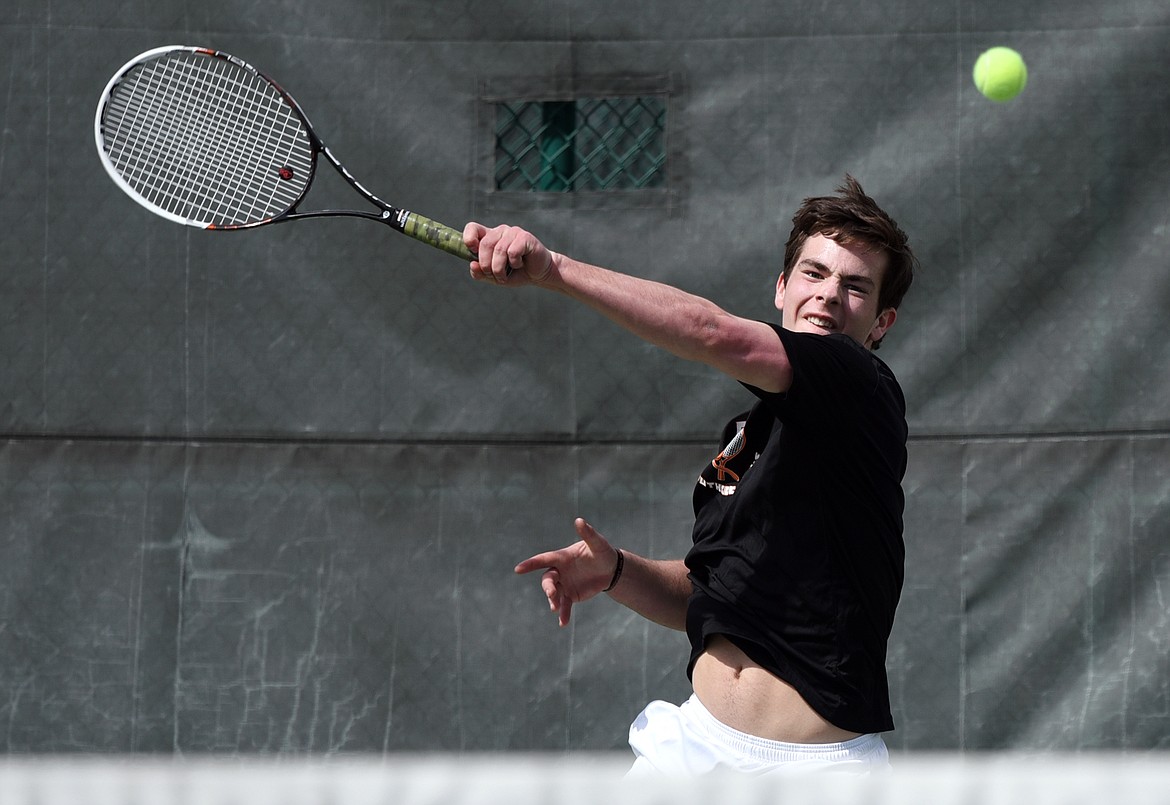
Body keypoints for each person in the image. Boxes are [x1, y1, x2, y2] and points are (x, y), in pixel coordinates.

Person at [462, 176, 917, 776]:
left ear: (880, 323)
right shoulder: (745, 436)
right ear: (782, 287)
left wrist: (553, 268)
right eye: (814, 273)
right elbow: (712, 594)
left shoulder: (863, 387)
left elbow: (710, 332)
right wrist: (618, 572)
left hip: (818, 773)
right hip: (694, 749)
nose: (830, 295)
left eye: (854, 287)